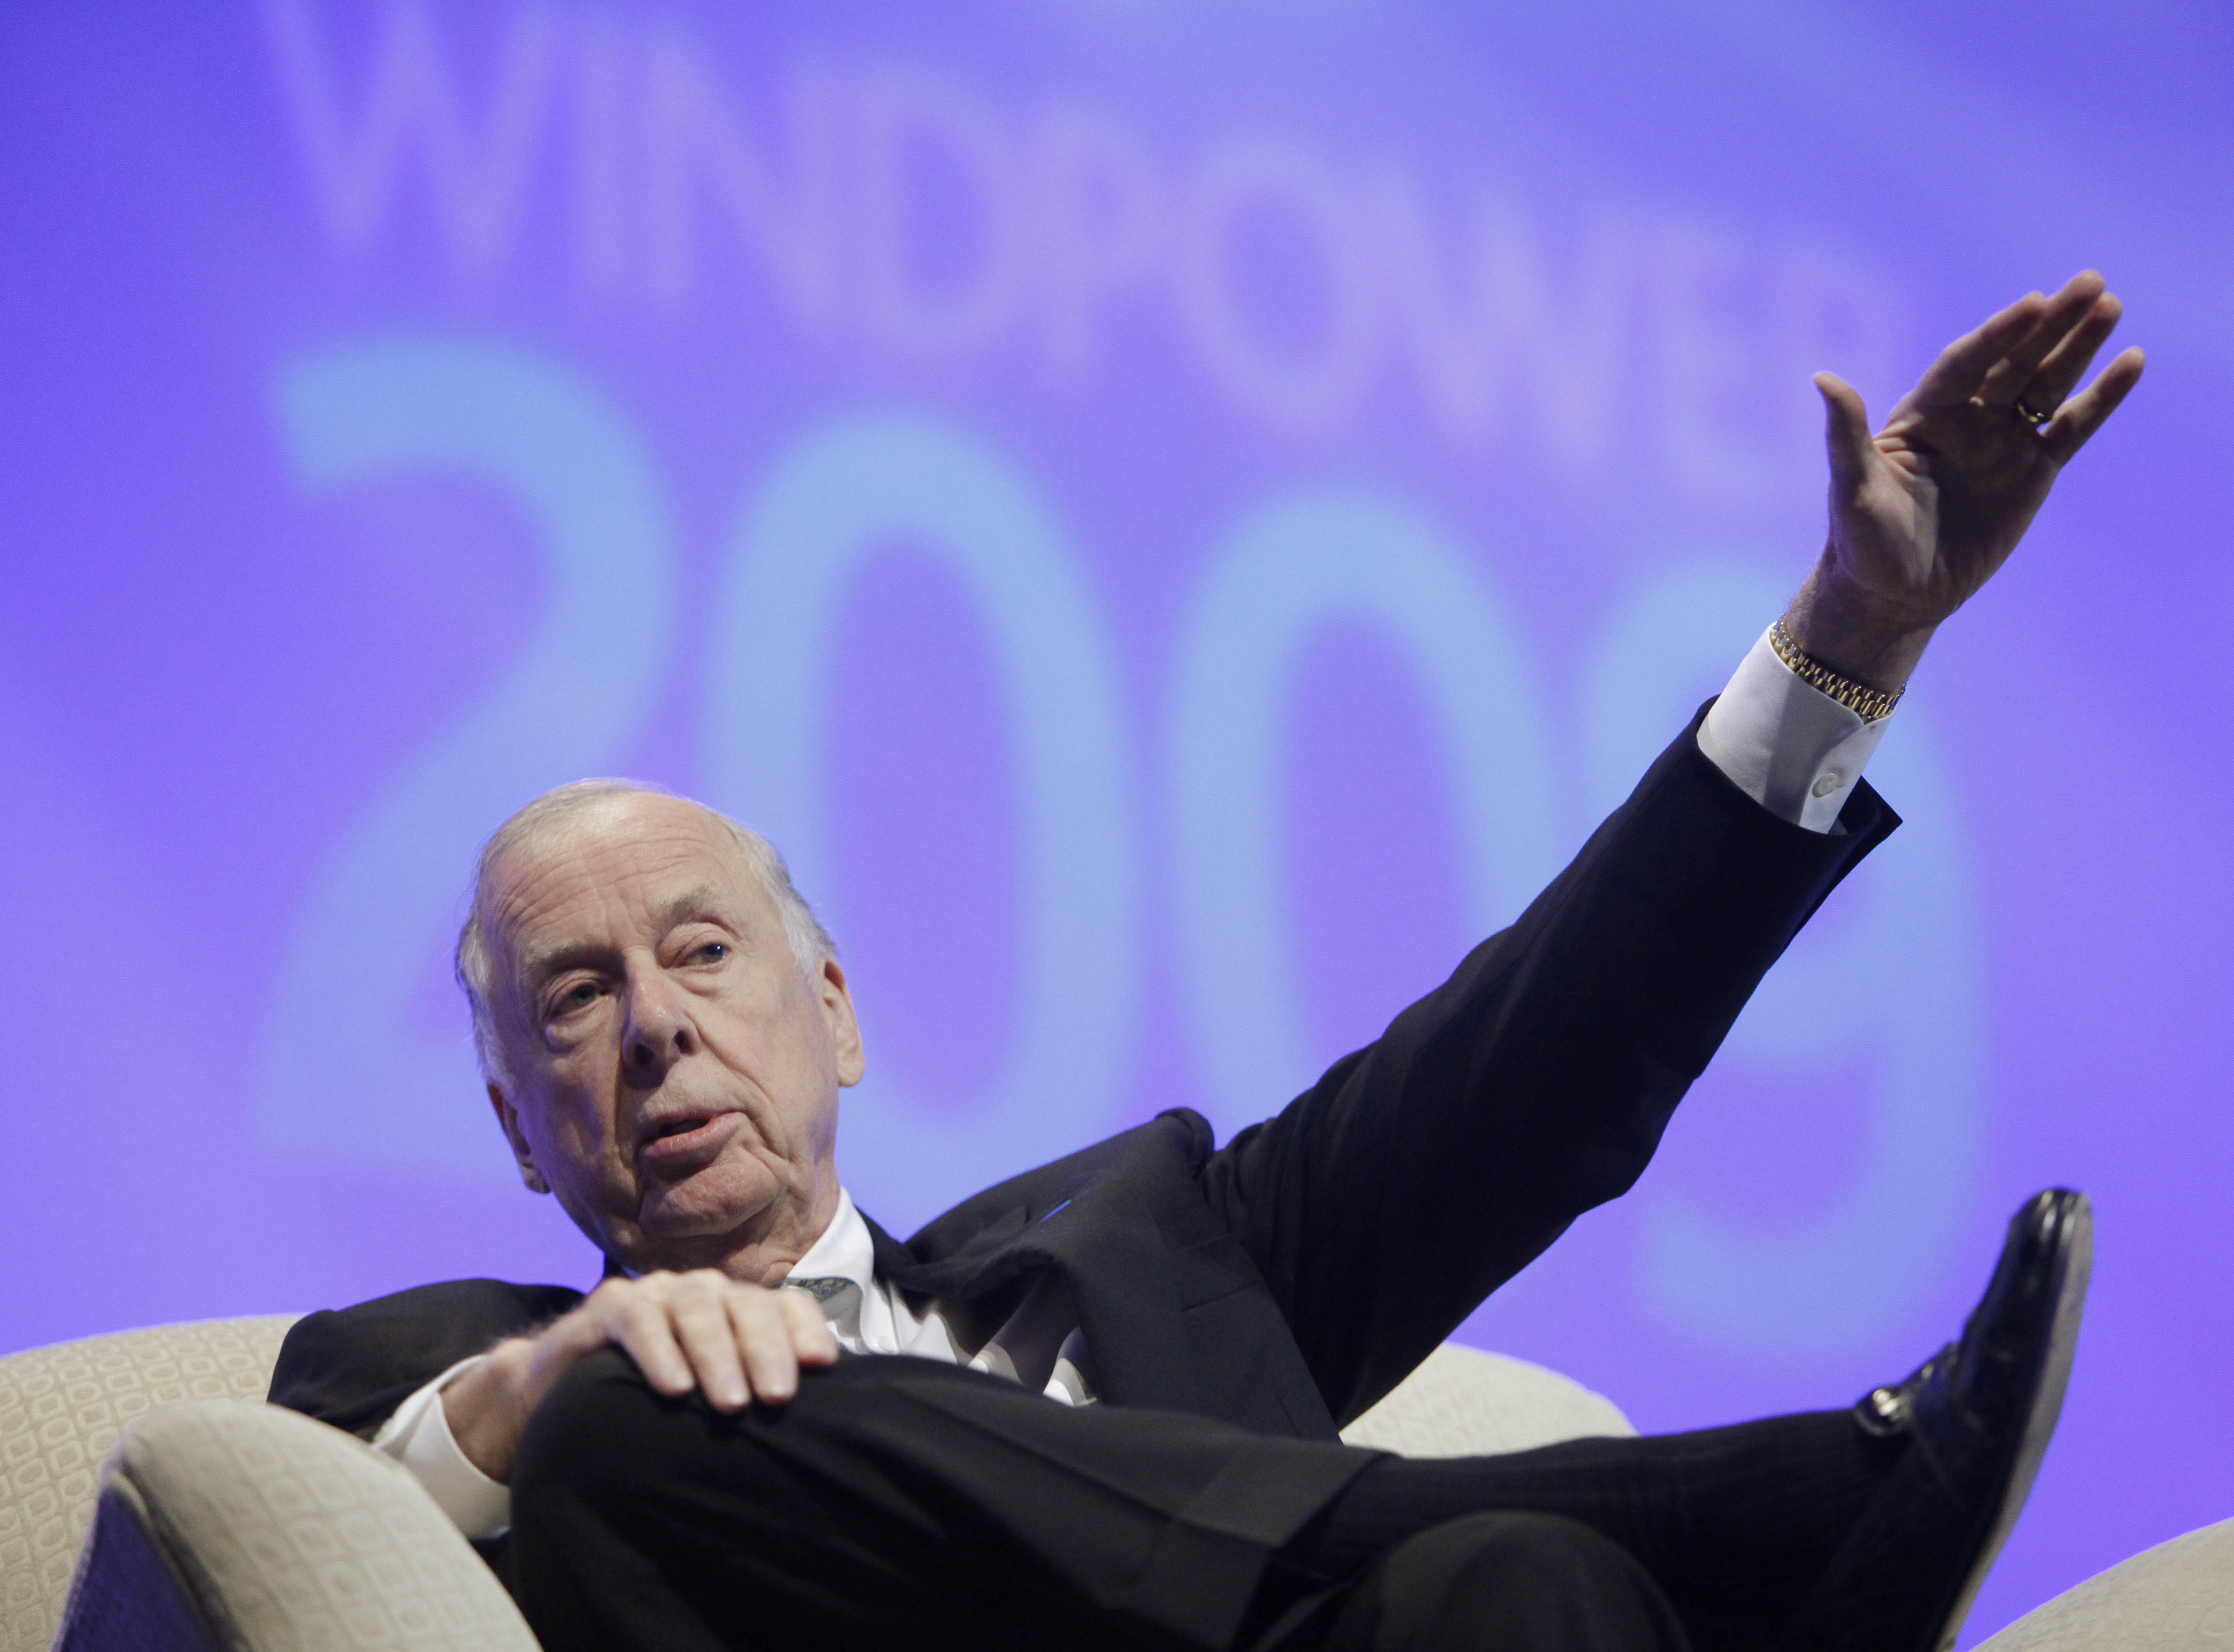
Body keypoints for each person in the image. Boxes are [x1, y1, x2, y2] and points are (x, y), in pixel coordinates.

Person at [272, 274, 2141, 1652]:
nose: (658, 1032)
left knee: (1513, 1586)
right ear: (516, 1131)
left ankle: (1644, 1539)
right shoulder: (426, 1374)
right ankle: (1768, 1521)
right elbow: (282, 1551)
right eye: (575, 1000)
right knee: (639, 1424)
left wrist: (1848, 639)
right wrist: (547, 1381)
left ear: (834, 1014)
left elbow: (1547, 1051)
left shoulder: (1160, 1247)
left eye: (699, 951)